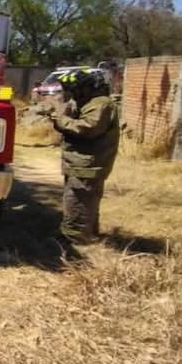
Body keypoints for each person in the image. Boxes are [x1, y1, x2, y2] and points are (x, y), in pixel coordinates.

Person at [49, 67, 120, 242]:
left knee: (79, 199)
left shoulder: (100, 104)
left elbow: (88, 128)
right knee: (84, 200)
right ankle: (89, 233)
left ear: (87, 87)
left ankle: (76, 238)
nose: (71, 94)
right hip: (81, 162)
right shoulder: (87, 102)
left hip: (88, 164)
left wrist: (61, 119)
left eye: (74, 90)